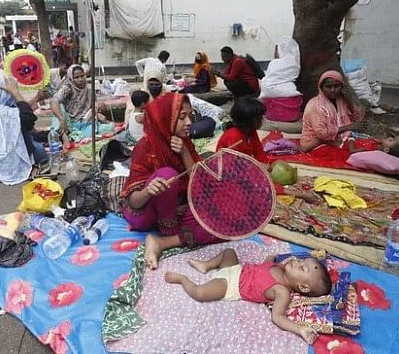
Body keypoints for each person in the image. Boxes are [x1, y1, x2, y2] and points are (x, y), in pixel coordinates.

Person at [121, 93, 224, 269]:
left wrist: (184, 153)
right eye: (182, 117)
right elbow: (133, 202)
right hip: (146, 213)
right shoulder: (144, 147)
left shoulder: (185, 142)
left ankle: (160, 242)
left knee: (222, 223)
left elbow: (199, 182)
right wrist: (147, 191)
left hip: (177, 210)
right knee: (168, 175)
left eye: (190, 116)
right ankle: (168, 232)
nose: (189, 122)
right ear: (165, 119)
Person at [164, 248, 331, 344]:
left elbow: (278, 317)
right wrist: (270, 257)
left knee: (200, 293)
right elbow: (265, 266)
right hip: (237, 269)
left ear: (303, 287)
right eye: (302, 262)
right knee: (229, 251)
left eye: (303, 269)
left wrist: (301, 329)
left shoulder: (282, 292)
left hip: (231, 285)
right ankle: (206, 265)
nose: (298, 262)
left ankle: (182, 279)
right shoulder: (280, 267)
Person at [217, 97, 320, 203]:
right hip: (229, 175)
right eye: (259, 118)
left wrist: (267, 165)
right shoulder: (233, 138)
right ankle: (300, 195)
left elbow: (259, 153)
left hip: (244, 167)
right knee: (259, 188)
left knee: (271, 168)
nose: (262, 120)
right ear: (247, 120)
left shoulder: (250, 132)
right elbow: (237, 169)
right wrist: (259, 169)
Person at [49, 64, 110, 149]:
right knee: (59, 108)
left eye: (82, 76)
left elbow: (93, 107)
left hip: (83, 123)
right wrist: (61, 119)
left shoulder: (89, 91)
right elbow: (53, 101)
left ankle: (76, 137)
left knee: (109, 128)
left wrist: (98, 112)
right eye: (76, 77)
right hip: (68, 122)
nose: (80, 79)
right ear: (71, 78)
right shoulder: (67, 88)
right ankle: (64, 136)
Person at [300, 70, 363, 153]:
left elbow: (355, 118)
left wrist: (348, 99)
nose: (333, 90)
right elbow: (322, 133)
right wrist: (349, 127)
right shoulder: (315, 105)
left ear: (342, 87)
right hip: (315, 142)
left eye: (337, 86)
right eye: (328, 87)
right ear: (321, 87)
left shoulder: (341, 100)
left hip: (337, 139)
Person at [260, 37, 303, 123]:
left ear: (281, 50)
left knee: (265, 84)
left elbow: (269, 76)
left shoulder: (274, 63)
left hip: (269, 91)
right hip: (287, 90)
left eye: (277, 49)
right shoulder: (295, 63)